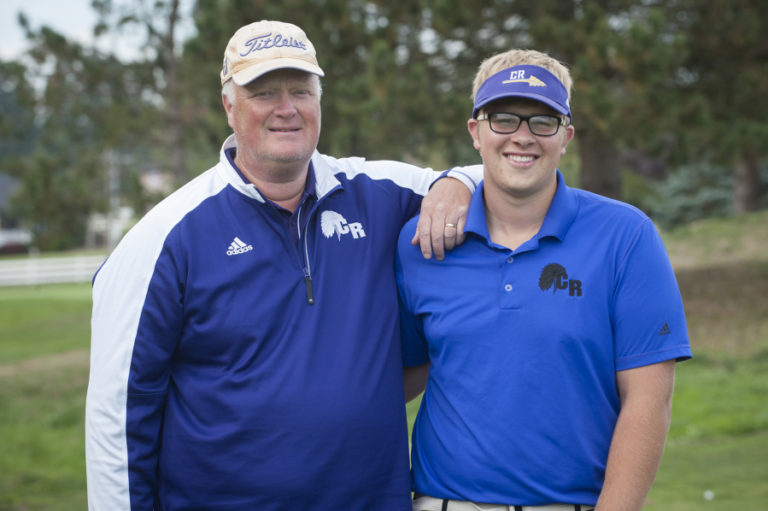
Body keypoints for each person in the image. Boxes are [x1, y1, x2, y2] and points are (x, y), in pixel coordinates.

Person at [85, 20, 481, 511]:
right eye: (264, 92)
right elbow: (116, 418)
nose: (287, 108)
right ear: (229, 106)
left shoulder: (375, 192)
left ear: (320, 101)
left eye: (301, 90)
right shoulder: (163, 238)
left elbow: (500, 175)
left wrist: (458, 180)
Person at [396, 49, 692, 511]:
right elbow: (402, 376)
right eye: (504, 119)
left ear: (566, 136)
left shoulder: (625, 236)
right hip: (443, 502)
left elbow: (648, 401)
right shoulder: (423, 242)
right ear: (476, 131)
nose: (522, 137)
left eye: (543, 122)